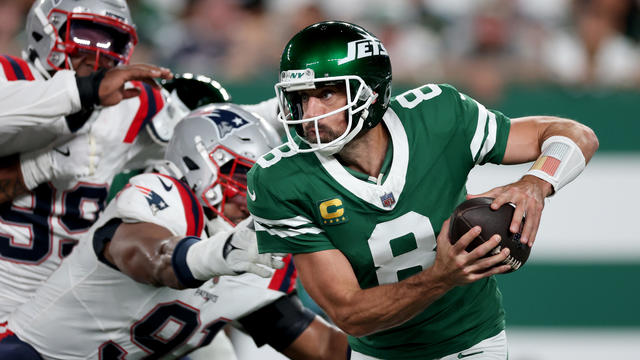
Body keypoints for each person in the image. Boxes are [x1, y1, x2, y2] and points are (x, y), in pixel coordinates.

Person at [247, 21, 599, 359]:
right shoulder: (279, 179)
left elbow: (576, 134)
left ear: (370, 92)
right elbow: (349, 313)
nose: (310, 113)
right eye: (300, 97)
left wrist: (535, 183)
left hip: (473, 341)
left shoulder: (438, 116)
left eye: (326, 94)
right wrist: (440, 277)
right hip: (379, 355)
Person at [0, 104, 349, 360]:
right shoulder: (163, 196)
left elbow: (324, 349)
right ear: (199, 165)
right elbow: (149, 258)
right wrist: (217, 256)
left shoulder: (255, 259)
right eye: (244, 177)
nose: (254, 197)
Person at [0, 0, 173, 323]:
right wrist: (42, 164)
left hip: (68, 305)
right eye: (86, 35)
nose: (98, 54)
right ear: (46, 30)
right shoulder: (9, 78)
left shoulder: (131, 102)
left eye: (111, 42)